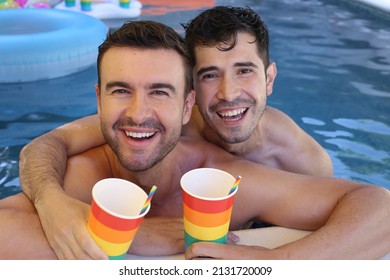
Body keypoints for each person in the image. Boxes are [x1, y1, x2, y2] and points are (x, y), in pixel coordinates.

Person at [1, 20, 389, 260]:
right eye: (120, 91)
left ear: (187, 107)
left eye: (160, 92)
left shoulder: (235, 173)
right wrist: (59, 208)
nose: (138, 113)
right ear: (98, 98)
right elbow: (45, 146)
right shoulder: (87, 169)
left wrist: (276, 263)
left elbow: (377, 209)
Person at [18, 6, 332, 180]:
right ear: (190, 90)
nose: (228, 93)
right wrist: (54, 206)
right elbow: (45, 146)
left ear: (270, 78)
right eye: (210, 75)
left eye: (244, 70)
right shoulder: (162, 121)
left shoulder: (305, 162)